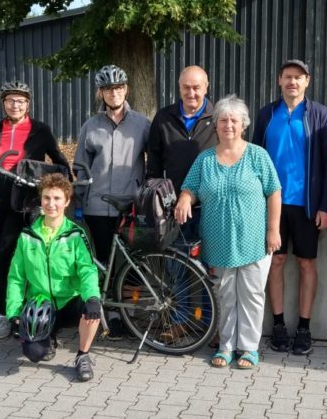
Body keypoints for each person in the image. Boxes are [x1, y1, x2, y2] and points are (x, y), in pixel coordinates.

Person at [175, 95, 282, 370]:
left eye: (234, 120)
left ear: (243, 124)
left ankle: (248, 348)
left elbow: (274, 191)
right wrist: (185, 198)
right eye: (223, 120)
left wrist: (273, 230)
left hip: (254, 239)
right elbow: (191, 187)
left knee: (252, 295)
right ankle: (226, 346)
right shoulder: (205, 159)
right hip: (219, 239)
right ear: (216, 125)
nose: (228, 125)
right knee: (225, 296)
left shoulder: (258, 155)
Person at [252, 59, 327, 356]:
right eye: (287, 77)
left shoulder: (320, 115)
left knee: (306, 264)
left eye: (298, 78)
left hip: (307, 205)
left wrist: (326, 206)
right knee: (275, 263)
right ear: (279, 80)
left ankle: (303, 327)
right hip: (271, 205)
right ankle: (278, 325)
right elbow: (254, 160)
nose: (292, 82)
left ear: (307, 81)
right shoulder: (267, 114)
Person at [0, 80, 69, 340]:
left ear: (28, 104)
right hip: (0, 199)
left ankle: (29, 314)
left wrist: (60, 189)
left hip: (30, 201)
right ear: (3, 103)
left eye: (20, 101)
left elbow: (60, 162)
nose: (15, 105)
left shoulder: (40, 130)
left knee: (33, 260)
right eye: (10, 100)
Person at [72, 65, 150, 339]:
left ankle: (129, 314)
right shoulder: (91, 126)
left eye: (118, 88)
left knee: (131, 263)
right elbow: (81, 167)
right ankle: (108, 315)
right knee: (103, 262)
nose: (114, 93)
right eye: (108, 89)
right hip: (97, 206)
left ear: (126, 89)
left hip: (130, 206)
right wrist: (80, 203)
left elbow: (153, 162)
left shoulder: (142, 124)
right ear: (101, 93)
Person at [5, 173, 101, 382]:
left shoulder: (76, 234)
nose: (51, 204)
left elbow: (88, 270)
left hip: (69, 301)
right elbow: (16, 277)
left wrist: (92, 298)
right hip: (42, 306)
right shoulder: (27, 236)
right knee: (35, 353)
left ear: (66, 201)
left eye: (57, 198)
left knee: (93, 311)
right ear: (40, 200)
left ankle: (82, 356)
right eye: (46, 198)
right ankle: (49, 338)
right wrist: (13, 312)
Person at [146, 65, 217, 256]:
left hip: (210, 208)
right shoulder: (163, 118)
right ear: (179, 88)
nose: (191, 93)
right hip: (175, 208)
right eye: (186, 87)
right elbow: (154, 165)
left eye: (196, 87)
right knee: (176, 269)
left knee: (209, 270)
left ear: (206, 87)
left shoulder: (219, 118)